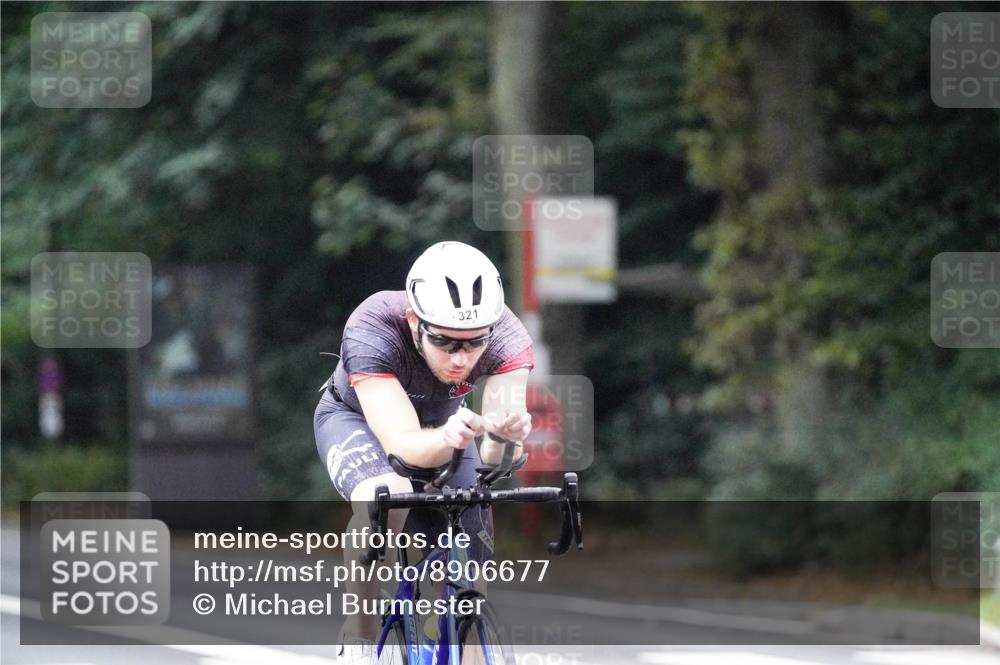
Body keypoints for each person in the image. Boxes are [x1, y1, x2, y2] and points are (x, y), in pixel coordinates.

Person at [314, 241, 534, 664]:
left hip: (449, 429)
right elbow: (403, 448)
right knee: (388, 497)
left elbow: (496, 459)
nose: (461, 358)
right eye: (444, 341)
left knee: (469, 565)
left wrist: (506, 438)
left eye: (474, 343)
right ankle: (361, 633)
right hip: (360, 421)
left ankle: (454, 638)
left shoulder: (507, 338)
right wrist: (452, 439)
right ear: (415, 321)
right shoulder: (374, 326)